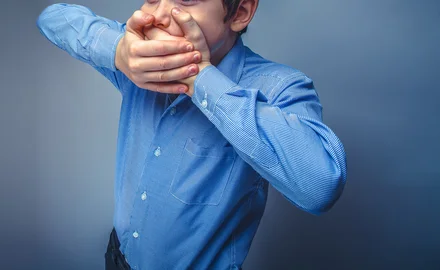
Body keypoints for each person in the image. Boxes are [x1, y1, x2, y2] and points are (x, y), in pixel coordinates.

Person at [37, 0, 347, 269]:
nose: (158, 14)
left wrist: (200, 77)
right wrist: (118, 50)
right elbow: (53, 18)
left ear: (240, 12)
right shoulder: (139, 60)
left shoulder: (280, 87)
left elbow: (320, 184)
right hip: (117, 258)